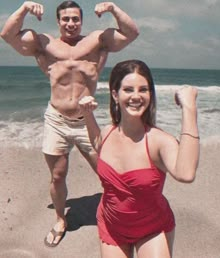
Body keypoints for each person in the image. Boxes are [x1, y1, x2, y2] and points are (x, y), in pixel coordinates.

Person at [0, 1, 139, 247]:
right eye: (66, 19)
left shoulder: (97, 41)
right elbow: (7, 35)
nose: (71, 24)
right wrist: (23, 8)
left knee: (108, 173)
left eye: (75, 19)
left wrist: (113, 9)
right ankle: (61, 219)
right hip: (56, 120)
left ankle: (115, 216)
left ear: (81, 21)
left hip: (87, 120)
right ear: (58, 21)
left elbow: (131, 33)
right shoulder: (44, 43)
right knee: (57, 175)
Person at [78, 59, 200, 258]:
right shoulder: (108, 132)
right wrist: (87, 115)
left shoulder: (159, 141)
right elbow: (97, 144)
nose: (136, 96)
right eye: (128, 89)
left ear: (150, 95)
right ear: (115, 95)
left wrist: (189, 108)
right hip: (111, 223)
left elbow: (186, 173)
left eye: (143, 89)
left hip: (151, 227)